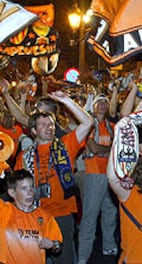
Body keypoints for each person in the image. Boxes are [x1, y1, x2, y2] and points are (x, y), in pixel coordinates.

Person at [14, 90, 93, 264]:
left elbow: (88, 122)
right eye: (43, 125)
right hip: (34, 214)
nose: (49, 128)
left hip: (62, 214)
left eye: (51, 124)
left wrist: (67, 101)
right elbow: (17, 189)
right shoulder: (24, 156)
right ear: (33, 130)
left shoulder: (65, 146)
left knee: (64, 259)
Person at [77, 94, 118, 263]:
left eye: (105, 102)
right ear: (93, 106)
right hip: (94, 173)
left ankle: (108, 246)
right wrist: (110, 149)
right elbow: (93, 148)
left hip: (110, 174)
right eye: (99, 102)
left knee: (110, 213)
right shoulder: (87, 126)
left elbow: (116, 147)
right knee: (90, 216)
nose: (102, 105)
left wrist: (105, 150)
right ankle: (83, 256)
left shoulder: (113, 126)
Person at [0, 169, 62, 264]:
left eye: (31, 187)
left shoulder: (44, 217)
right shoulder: (4, 211)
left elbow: (58, 246)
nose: (29, 192)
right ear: (12, 193)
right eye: (23, 188)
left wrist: (53, 244)